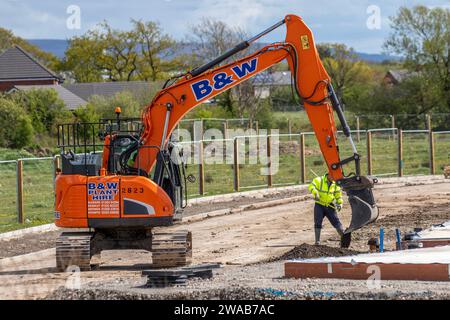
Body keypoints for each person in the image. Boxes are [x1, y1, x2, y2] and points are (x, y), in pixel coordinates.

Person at [308, 173, 345, 245]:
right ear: (329, 174)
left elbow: (338, 195)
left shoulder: (335, 184)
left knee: (336, 222)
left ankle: (344, 239)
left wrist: (340, 203)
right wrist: (316, 193)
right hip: (319, 205)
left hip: (330, 206)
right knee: (317, 222)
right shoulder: (319, 180)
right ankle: (317, 242)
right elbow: (311, 186)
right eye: (333, 177)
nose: (334, 179)